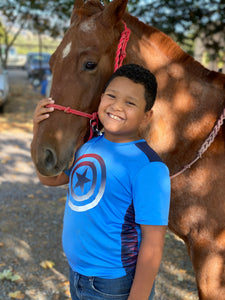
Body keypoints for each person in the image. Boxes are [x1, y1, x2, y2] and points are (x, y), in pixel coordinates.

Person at [32, 64, 171, 300]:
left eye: (130, 102)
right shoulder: (88, 145)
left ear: (147, 115)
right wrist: (38, 130)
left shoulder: (149, 167)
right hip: (77, 275)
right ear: (101, 97)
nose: (116, 106)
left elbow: (153, 243)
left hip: (114, 285)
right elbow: (50, 179)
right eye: (112, 95)